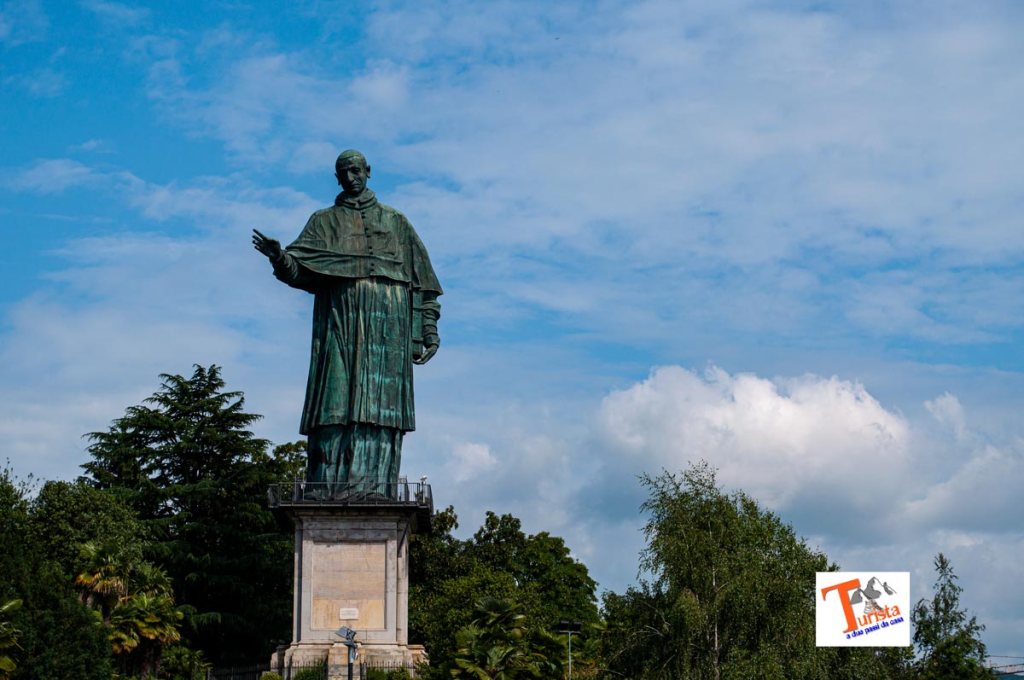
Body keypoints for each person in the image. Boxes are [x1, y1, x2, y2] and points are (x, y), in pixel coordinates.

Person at [253, 150, 442, 497]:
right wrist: (279, 257)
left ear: (368, 172)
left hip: (389, 330)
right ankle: (326, 485)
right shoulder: (323, 222)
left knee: (380, 408)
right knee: (333, 401)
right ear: (337, 178)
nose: (351, 177)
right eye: (344, 173)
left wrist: (427, 331)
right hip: (338, 325)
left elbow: (424, 285)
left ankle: (374, 486)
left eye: (356, 170)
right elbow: (298, 270)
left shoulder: (396, 222)